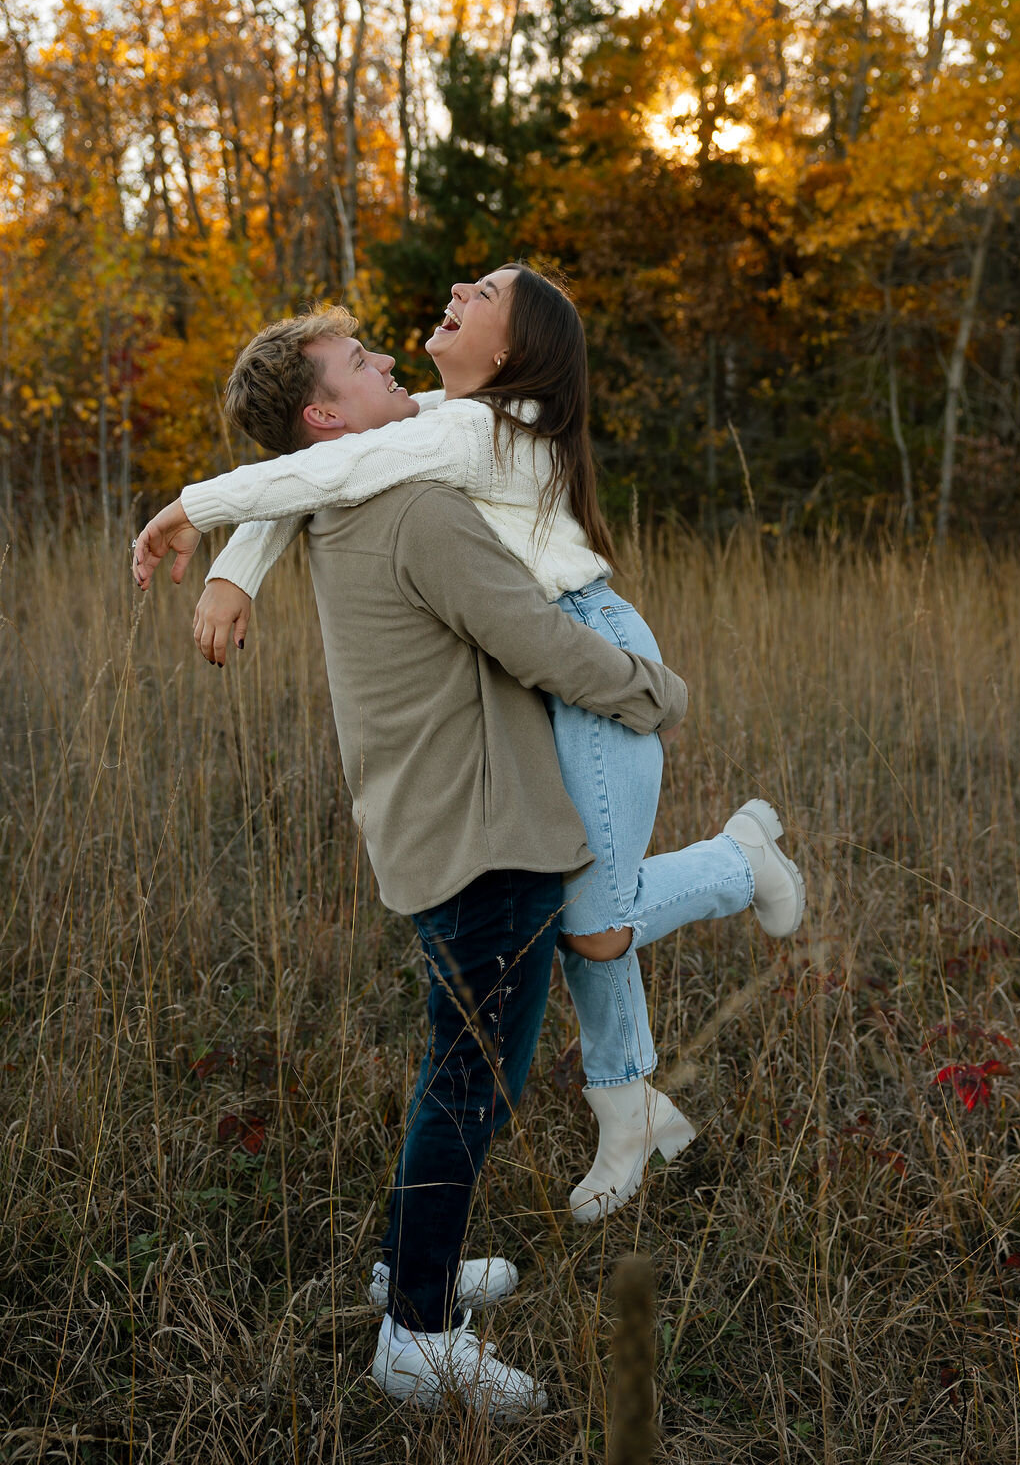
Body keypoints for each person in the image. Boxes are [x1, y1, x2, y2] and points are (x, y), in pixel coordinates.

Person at [133, 267, 805, 1231]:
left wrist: (192, 510)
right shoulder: (440, 423)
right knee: (588, 904)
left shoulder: (482, 426)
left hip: (590, 647)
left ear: (508, 353)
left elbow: (325, 466)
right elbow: (324, 466)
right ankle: (630, 1113)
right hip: (543, 660)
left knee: (596, 922)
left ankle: (737, 864)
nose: (454, 283)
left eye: (484, 291)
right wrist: (238, 572)